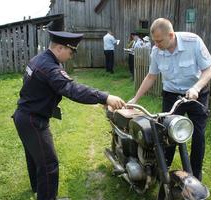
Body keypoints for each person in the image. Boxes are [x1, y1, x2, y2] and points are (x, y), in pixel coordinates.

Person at [12, 22, 126, 200]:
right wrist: (105, 97)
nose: (71, 56)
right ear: (59, 48)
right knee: (49, 164)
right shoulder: (50, 67)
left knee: (35, 157)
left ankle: (38, 190)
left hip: (24, 116)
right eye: (71, 52)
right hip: (33, 120)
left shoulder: (39, 59)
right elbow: (72, 89)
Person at [128, 18, 211, 181]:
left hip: (196, 95)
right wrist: (136, 99)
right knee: (166, 134)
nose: (156, 45)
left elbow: (208, 71)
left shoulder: (193, 42)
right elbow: (151, 76)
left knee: (198, 136)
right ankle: (163, 171)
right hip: (171, 95)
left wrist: (196, 88)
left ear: (171, 35)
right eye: (154, 41)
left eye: (159, 40)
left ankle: (196, 175)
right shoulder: (156, 51)